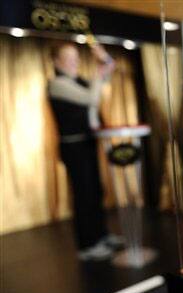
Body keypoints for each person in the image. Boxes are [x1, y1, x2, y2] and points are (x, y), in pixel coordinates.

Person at [48, 42, 120, 260]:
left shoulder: (79, 81)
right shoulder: (57, 84)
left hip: (87, 143)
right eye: (68, 58)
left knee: (95, 191)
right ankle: (87, 246)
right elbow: (92, 97)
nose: (74, 61)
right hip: (73, 146)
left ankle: (100, 235)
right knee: (84, 195)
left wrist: (103, 57)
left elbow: (108, 72)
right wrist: (99, 73)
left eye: (76, 57)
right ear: (56, 61)